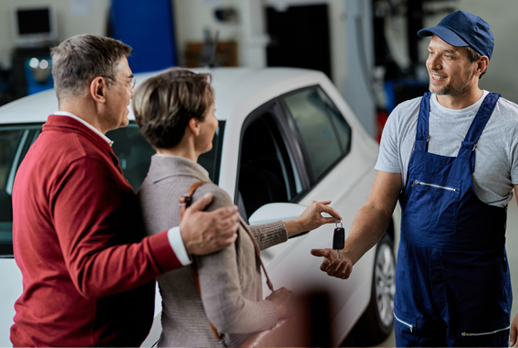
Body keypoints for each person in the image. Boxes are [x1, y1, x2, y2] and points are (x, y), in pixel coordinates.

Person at [312, 10, 518, 347]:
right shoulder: (404, 118)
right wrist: (349, 253)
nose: (433, 64)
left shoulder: (511, 127)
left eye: (448, 55)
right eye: (431, 52)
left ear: (479, 65)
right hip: (415, 299)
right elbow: (379, 205)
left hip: (477, 301)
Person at [11, 34, 240, 347]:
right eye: (128, 80)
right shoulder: (81, 160)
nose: (132, 92)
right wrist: (182, 241)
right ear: (100, 89)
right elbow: (89, 271)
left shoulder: (48, 147)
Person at [133, 67, 343, 347]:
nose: (215, 124)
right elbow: (227, 313)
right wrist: (277, 308)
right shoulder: (207, 198)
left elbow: (226, 245)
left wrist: (297, 225)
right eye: (211, 113)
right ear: (194, 125)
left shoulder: (146, 189)